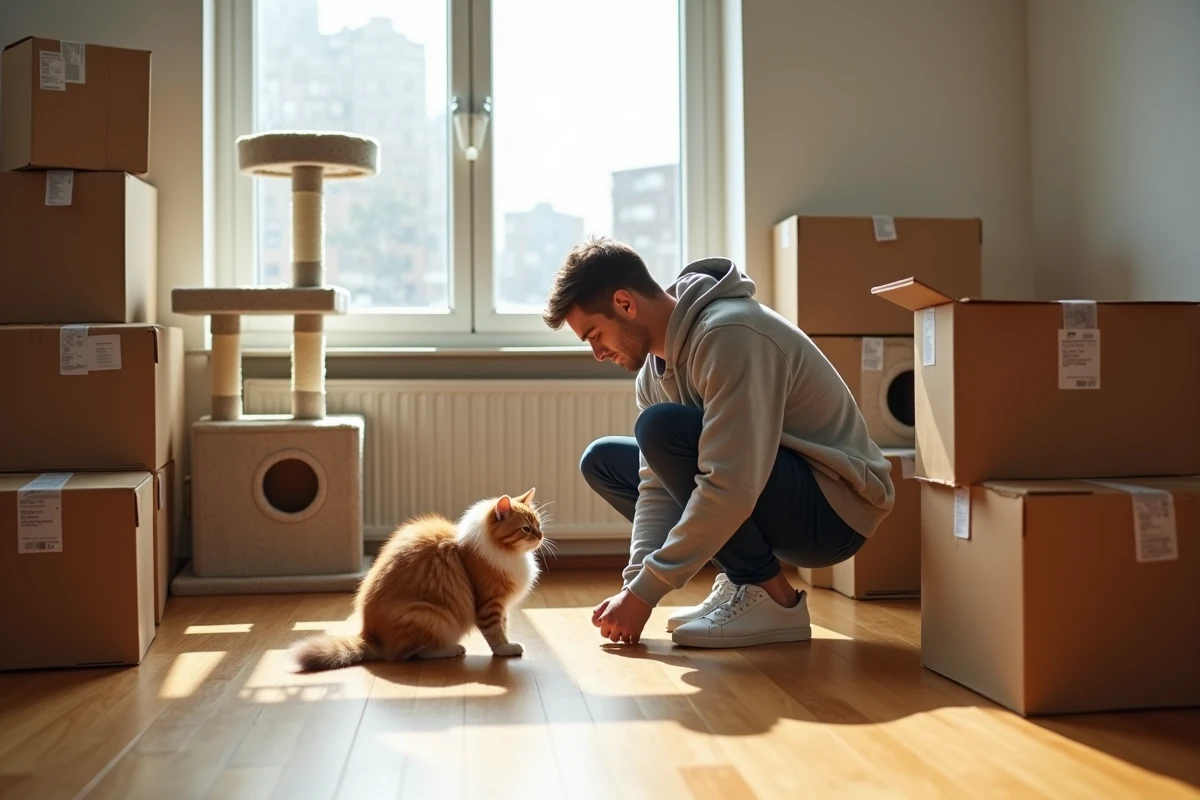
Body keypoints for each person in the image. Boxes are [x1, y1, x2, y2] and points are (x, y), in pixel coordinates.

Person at [541, 236, 895, 649]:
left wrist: (645, 594)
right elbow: (657, 487)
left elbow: (731, 484)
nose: (597, 353)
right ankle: (742, 578)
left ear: (624, 304)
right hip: (770, 490)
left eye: (595, 335)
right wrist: (635, 585)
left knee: (660, 429)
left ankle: (775, 600)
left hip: (833, 512)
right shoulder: (652, 374)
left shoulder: (730, 333)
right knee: (603, 460)